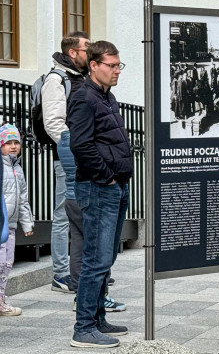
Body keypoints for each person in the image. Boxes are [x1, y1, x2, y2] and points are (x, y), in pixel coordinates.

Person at [68, 41, 133, 348]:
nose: (117, 70)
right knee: (96, 259)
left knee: (106, 257)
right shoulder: (83, 97)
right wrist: (106, 177)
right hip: (99, 188)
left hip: (116, 186)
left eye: (119, 65)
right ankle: (83, 328)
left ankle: (98, 319)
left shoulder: (107, 96)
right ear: (94, 65)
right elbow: (80, 144)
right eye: (112, 65)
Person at [42, 31, 90, 293]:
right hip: (68, 159)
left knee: (83, 213)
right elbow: (53, 123)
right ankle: (61, 275)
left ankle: (84, 271)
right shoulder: (56, 79)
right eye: (86, 48)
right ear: (73, 52)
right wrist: (74, 150)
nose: (90, 52)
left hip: (83, 157)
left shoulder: (80, 77)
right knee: (62, 214)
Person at [0, 124, 34, 316]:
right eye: (8, 143)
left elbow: (23, 199)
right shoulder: (1, 167)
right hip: (1, 225)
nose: (13, 146)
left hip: (11, 226)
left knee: (7, 263)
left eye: (16, 142)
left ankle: (1, 299)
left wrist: (27, 223)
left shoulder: (18, 169)